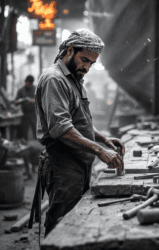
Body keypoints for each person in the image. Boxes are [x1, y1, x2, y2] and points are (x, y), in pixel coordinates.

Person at [29, 28, 125, 237]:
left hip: (78, 161)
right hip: (62, 160)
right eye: (84, 60)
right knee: (62, 223)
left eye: (91, 62)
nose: (87, 66)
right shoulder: (55, 79)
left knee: (75, 219)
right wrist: (99, 151)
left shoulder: (74, 80)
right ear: (69, 51)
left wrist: (102, 138)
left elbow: (80, 121)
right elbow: (62, 128)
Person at [15, 75, 36, 140]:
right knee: (25, 132)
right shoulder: (21, 90)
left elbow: (41, 100)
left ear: (32, 83)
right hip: (25, 114)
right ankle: (26, 144)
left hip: (34, 113)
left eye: (30, 83)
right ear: (25, 82)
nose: (28, 85)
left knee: (35, 130)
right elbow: (16, 102)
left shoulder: (36, 89)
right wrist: (23, 100)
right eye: (27, 83)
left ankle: (36, 146)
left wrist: (32, 100)